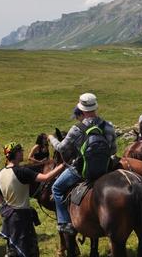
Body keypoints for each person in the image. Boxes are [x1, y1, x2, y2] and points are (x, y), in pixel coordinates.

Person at [48, 93, 117, 234]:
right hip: (105, 168)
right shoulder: (108, 126)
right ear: (95, 108)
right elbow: (113, 150)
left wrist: (51, 139)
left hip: (81, 170)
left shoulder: (76, 129)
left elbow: (61, 148)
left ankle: (64, 222)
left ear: (82, 109)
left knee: (56, 188)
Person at [0, 142, 65, 257]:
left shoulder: (1, 172)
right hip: (22, 218)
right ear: (16, 154)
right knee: (27, 251)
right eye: (21, 151)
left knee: (13, 251)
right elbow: (46, 178)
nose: (23, 153)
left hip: (9, 217)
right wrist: (63, 165)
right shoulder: (21, 171)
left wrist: (3, 202)